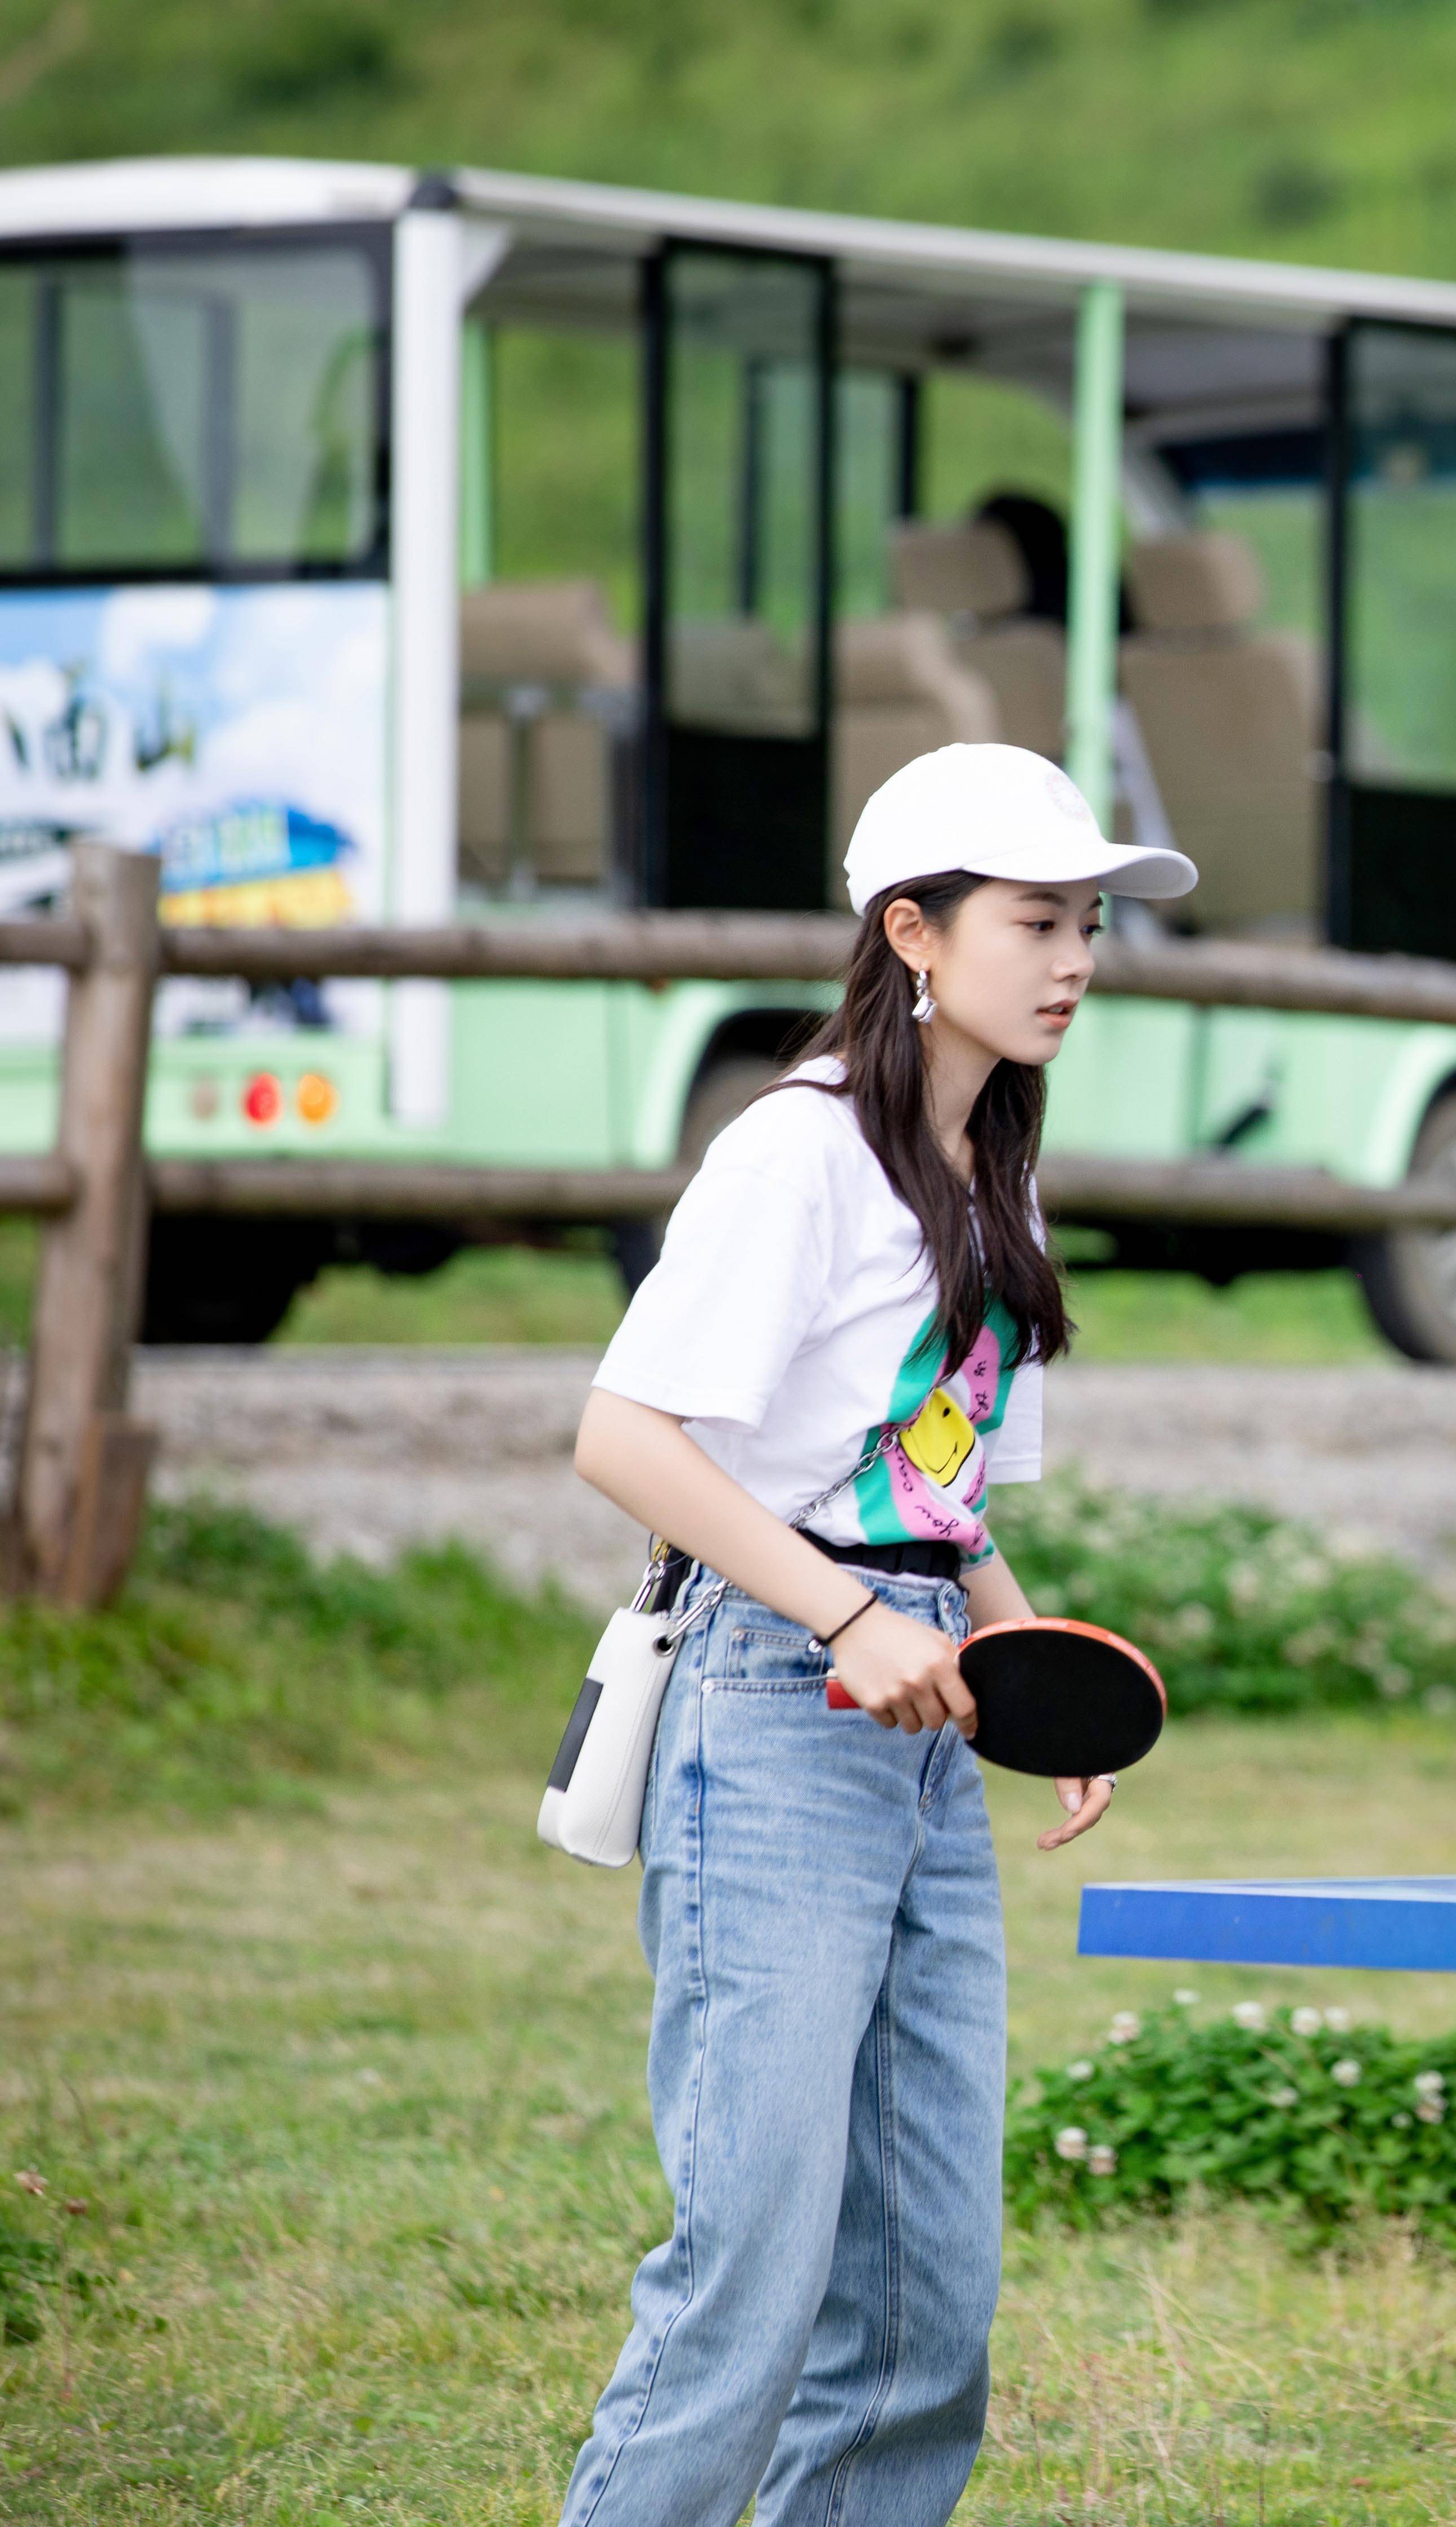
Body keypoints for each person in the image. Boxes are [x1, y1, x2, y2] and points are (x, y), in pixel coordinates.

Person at [556, 743, 1194, 2527]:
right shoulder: (800, 1149)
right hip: (773, 1705)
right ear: (912, 929)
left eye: (1088, 925)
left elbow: (930, 1485)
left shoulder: (992, 1164)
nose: (1073, 958)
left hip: (920, 1714)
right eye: (1036, 921)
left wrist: (1021, 1666)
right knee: (754, 2273)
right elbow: (625, 1438)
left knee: (927, 2298)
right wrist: (846, 1613)